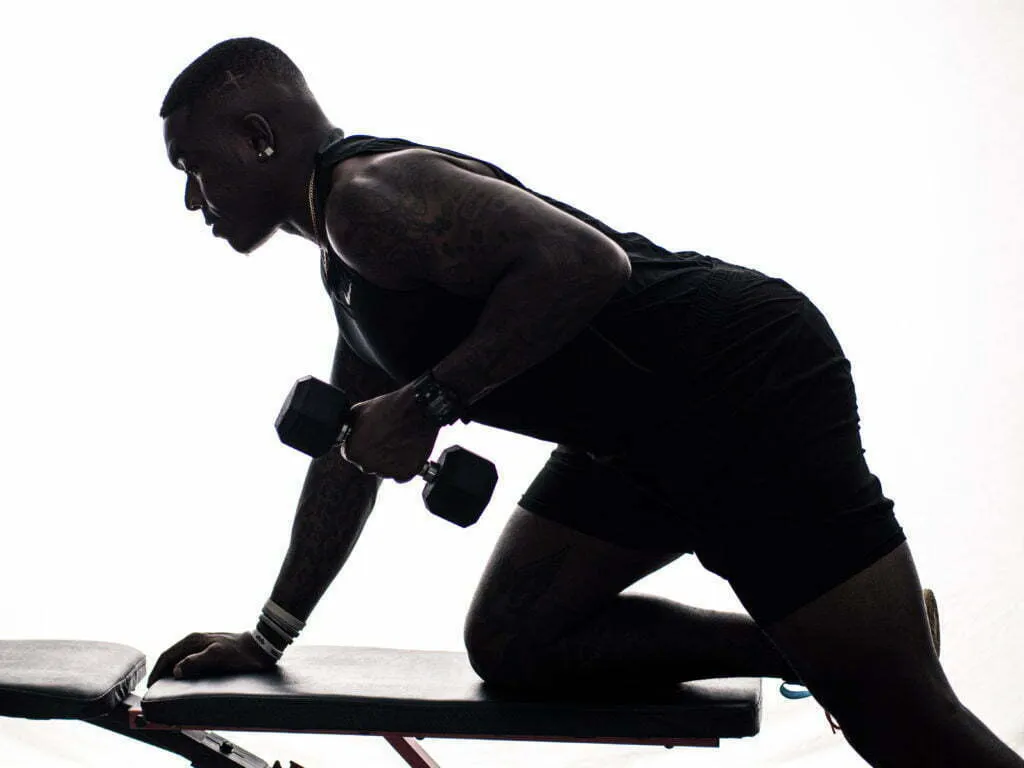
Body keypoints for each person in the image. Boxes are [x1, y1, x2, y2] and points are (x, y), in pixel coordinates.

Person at [149, 38, 1022, 766]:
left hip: (737, 382)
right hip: (639, 434)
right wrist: (268, 637)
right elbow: (348, 462)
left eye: (194, 166)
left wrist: (427, 404)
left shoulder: (367, 201)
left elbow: (584, 264)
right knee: (518, 641)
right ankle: (818, 644)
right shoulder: (349, 272)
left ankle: (865, 654)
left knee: (900, 721)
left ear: (258, 137)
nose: (192, 198)